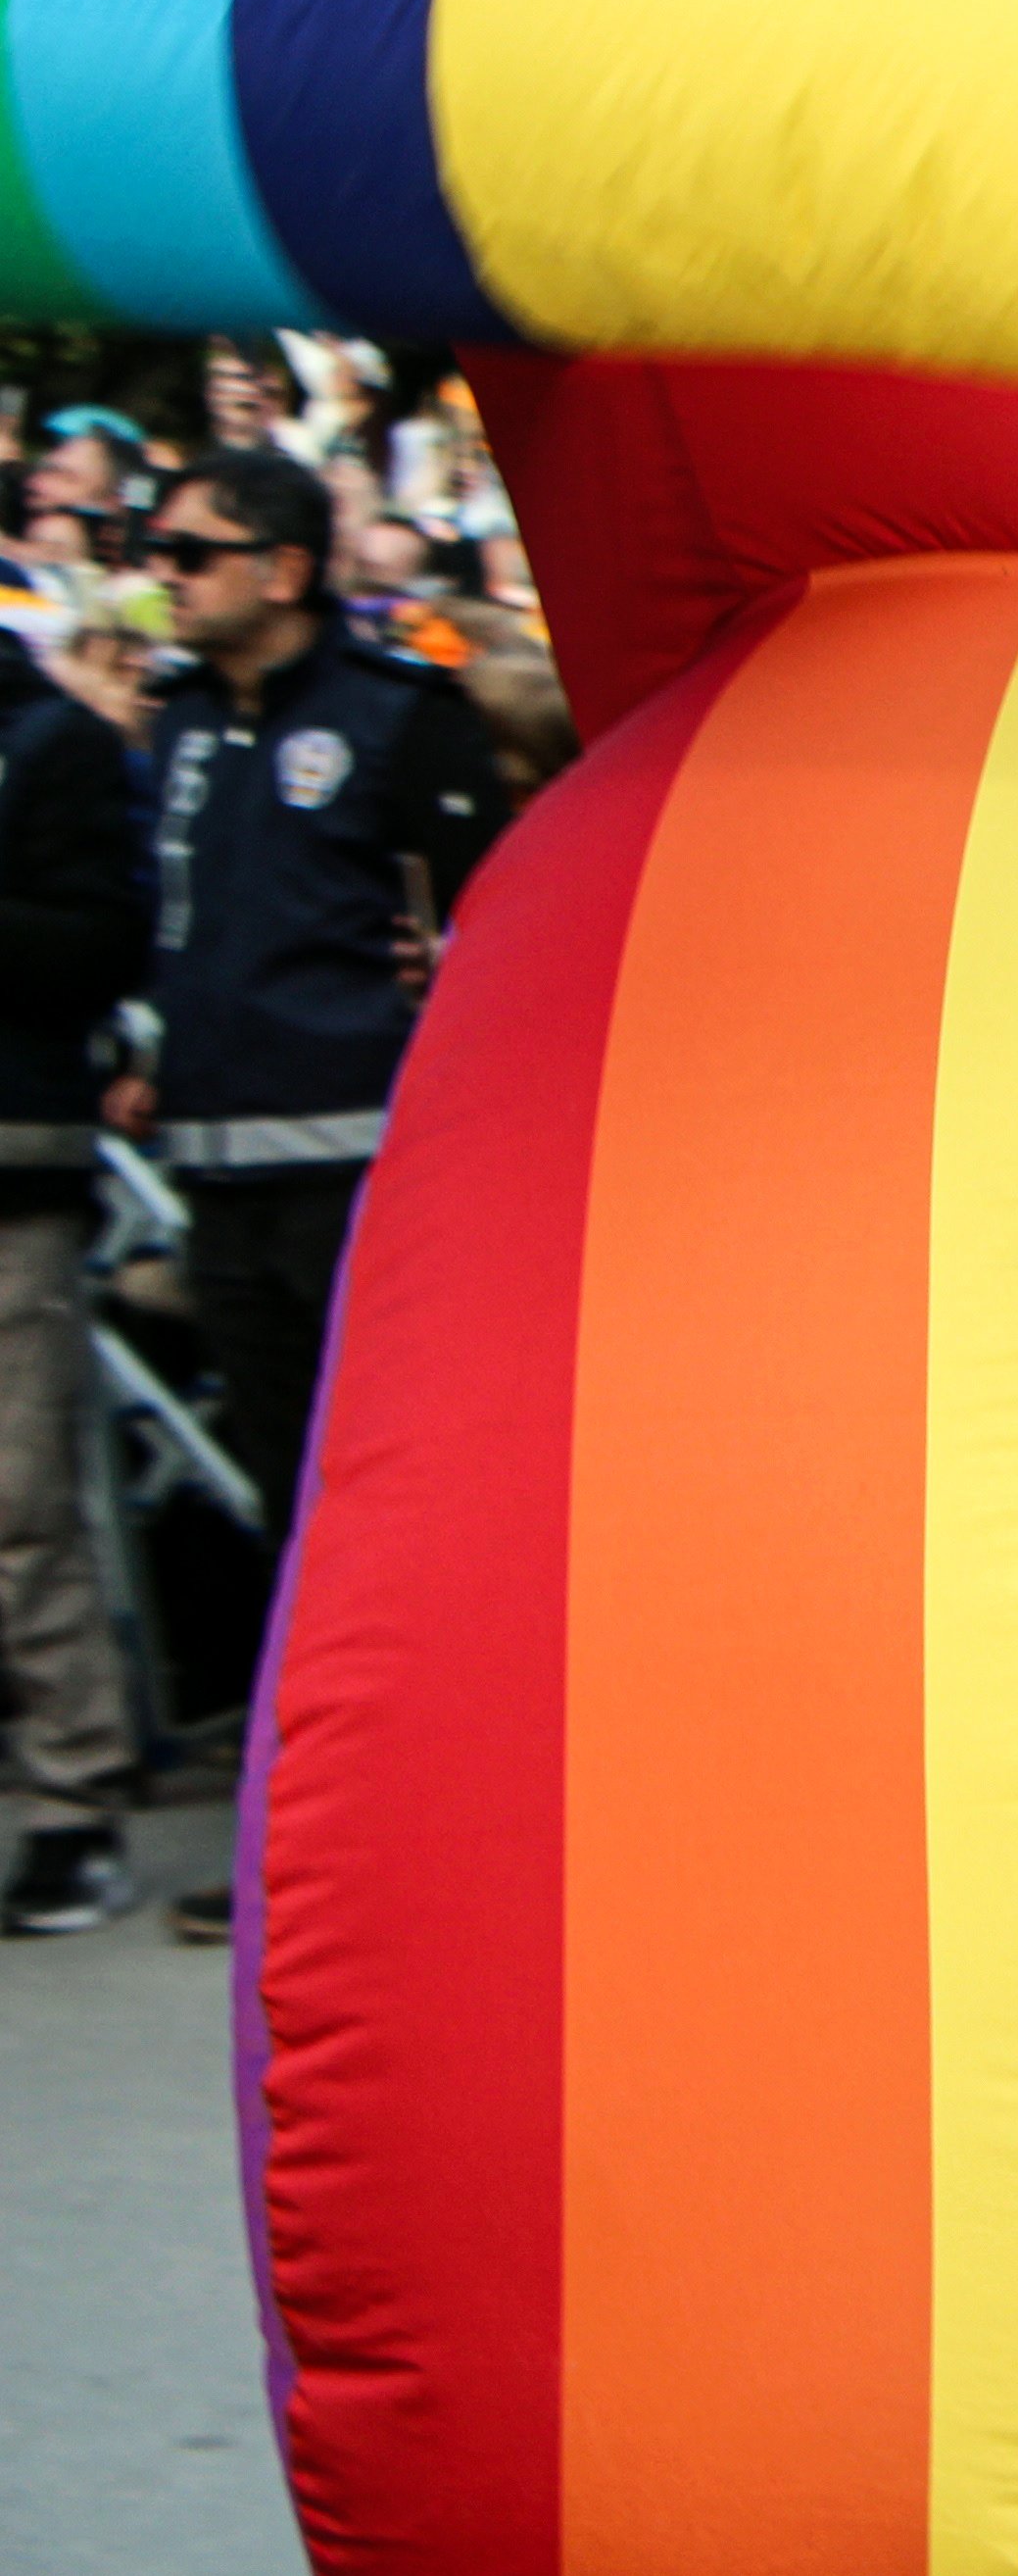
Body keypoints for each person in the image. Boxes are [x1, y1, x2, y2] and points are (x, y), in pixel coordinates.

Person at [118, 450, 509, 1939]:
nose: (167, 571)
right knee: (285, 1516)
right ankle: (308, 1857)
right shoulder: (178, 723)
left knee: (389, 1517)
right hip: (219, 1179)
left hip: (366, 1184)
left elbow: (489, 923)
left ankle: (434, 1828)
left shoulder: (399, 714)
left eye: (195, 549)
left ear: (283, 569)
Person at [0, 606, 149, 1938]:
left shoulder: (52, 742)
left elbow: (99, 945)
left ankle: (69, 1804)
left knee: (18, 1505)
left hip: (15, 1169)